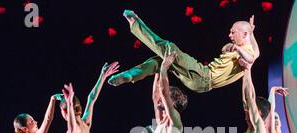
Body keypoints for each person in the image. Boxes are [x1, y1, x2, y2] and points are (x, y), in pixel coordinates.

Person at [108, 11, 259, 94]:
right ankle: (129, 76)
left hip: (203, 75)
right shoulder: (246, 47)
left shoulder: (246, 53)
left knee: (170, 47)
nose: (230, 35)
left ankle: (136, 24)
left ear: (244, 34)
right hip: (199, 83)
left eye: (233, 33)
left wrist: (239, 48)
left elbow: (250, 59)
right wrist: (250, 33)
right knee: (161, 60)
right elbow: (230, 49)